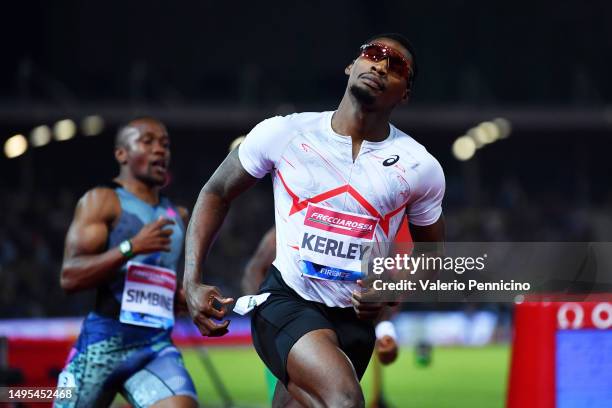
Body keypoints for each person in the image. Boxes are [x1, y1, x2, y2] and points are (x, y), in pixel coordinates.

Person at [184, 33, 446, 407]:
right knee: (344, 401)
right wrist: (191, 280)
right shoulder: (285, 132)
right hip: (287, 302)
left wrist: (388, 291)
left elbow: (432, 257)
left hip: (355, 325)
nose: (380, 65)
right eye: (372, 54)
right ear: (350, 66)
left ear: (404, 93)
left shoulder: (420, 167)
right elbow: (216, 192)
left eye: (396, 65)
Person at [55, 118, 198, 408]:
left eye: (165, 144)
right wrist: (131, 247)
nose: (160, 150)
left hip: (155, 346)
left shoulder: (177, 214)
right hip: (101, 347)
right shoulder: (101, 201)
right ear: (121, 154)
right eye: (147, 142)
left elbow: (155, 281)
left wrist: (177, 298)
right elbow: (70, 278)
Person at [241, 226, 400, 404]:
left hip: (348, 330)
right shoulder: (292, 223)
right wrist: (270, 320)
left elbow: (377, 286)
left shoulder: (370, 231)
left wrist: (386, 331)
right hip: (293, 326)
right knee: (336, 400)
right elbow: (253, 270)